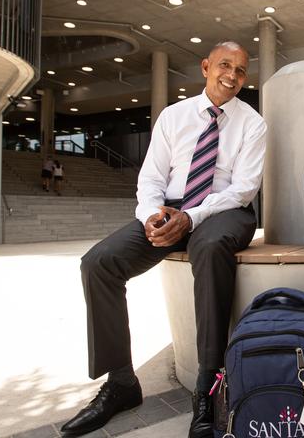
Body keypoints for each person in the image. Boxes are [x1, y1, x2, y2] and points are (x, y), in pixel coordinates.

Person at [60, 42, 267, 438]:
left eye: (241, 71)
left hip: (223, 211)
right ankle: (121, 383)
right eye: (225, 65)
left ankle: (208, 387)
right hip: (170, 208)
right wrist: (154, 215)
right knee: (98, 263)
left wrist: (191, 217)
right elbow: (152, 178)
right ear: (206, 67)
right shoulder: (174, 116)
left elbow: (243, 189)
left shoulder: (253, 123)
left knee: (207, 246)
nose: (233, 76)